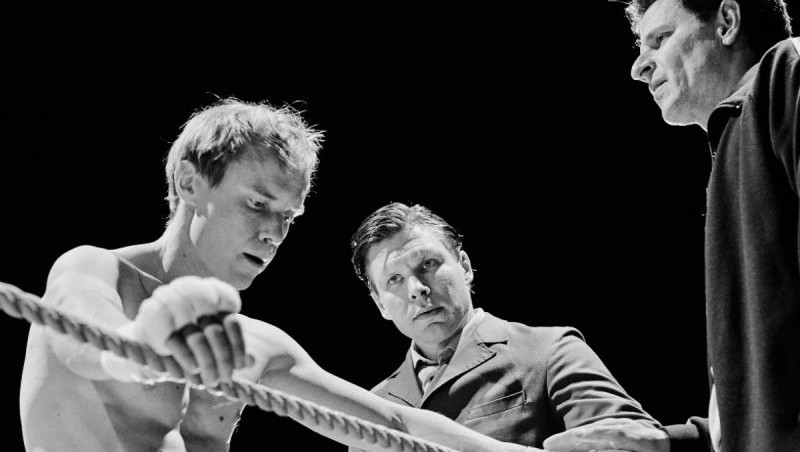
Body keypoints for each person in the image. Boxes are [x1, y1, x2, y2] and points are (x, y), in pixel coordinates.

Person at [11, 98, 538, 452]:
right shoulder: (95, 270)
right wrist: (147, 347)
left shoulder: (253, 343)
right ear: (191, 184)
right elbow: (86, 340)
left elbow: (395, 425)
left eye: (289, 216)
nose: (274, 233)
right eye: (258, 204)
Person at [543, 1, 797, 451]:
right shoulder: (735, 143)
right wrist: (669, 442)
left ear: (727, 22)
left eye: (660, 39)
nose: (639, 67)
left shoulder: (788, 69)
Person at [346, 201, 662, 451]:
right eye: (394, 279)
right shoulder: (374, 404)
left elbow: (632, 442)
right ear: (380, 304)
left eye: (427, 264)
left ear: (464, 266)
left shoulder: (550, 351)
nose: (417, 288)